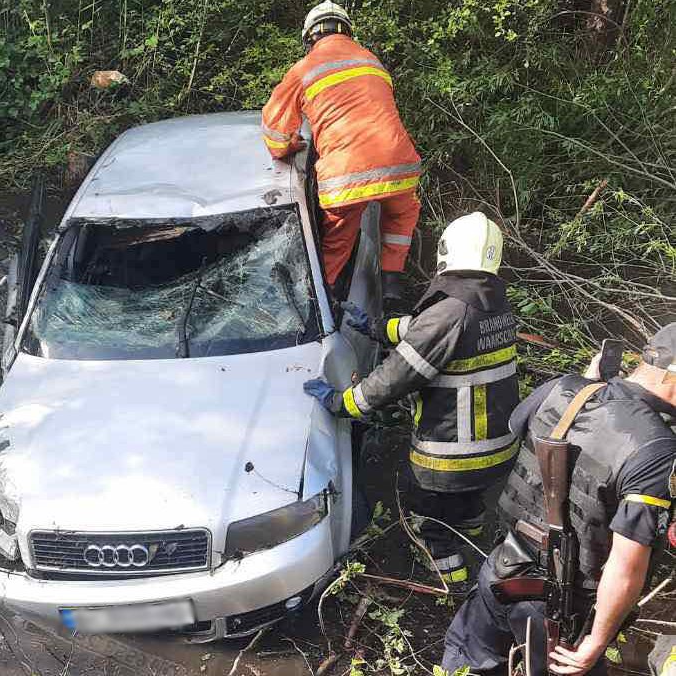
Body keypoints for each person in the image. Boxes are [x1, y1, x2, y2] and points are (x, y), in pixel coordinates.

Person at [441, 323, 676, 676]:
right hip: (566, 608)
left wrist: (588, 389)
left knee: (467, 663)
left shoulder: (566, 388)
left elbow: (521, 425)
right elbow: (627, 565)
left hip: (503, 567)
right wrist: (596, 643)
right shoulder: (656, 448)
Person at [303, 212, 520, 585]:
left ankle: (451, 581)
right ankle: (470, 526)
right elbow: (429, 329)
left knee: (426, 516)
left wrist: (344, 403)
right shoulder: (494, 304)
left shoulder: (448, 315)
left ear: (447, 252)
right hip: (498, 449)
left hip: (450, 459)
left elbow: (393, 379)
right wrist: (375, 328)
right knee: (467, 503)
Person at [261, 1, 421, 303]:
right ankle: (392, 290)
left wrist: (288, 147)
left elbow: (275, 131)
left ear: (310, 37)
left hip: (346, 175)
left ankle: (326, 298)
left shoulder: (304, 69)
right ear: (347, 30)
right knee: (400, 220)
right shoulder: (372, 61)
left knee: (336, 243)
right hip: (398, 165)